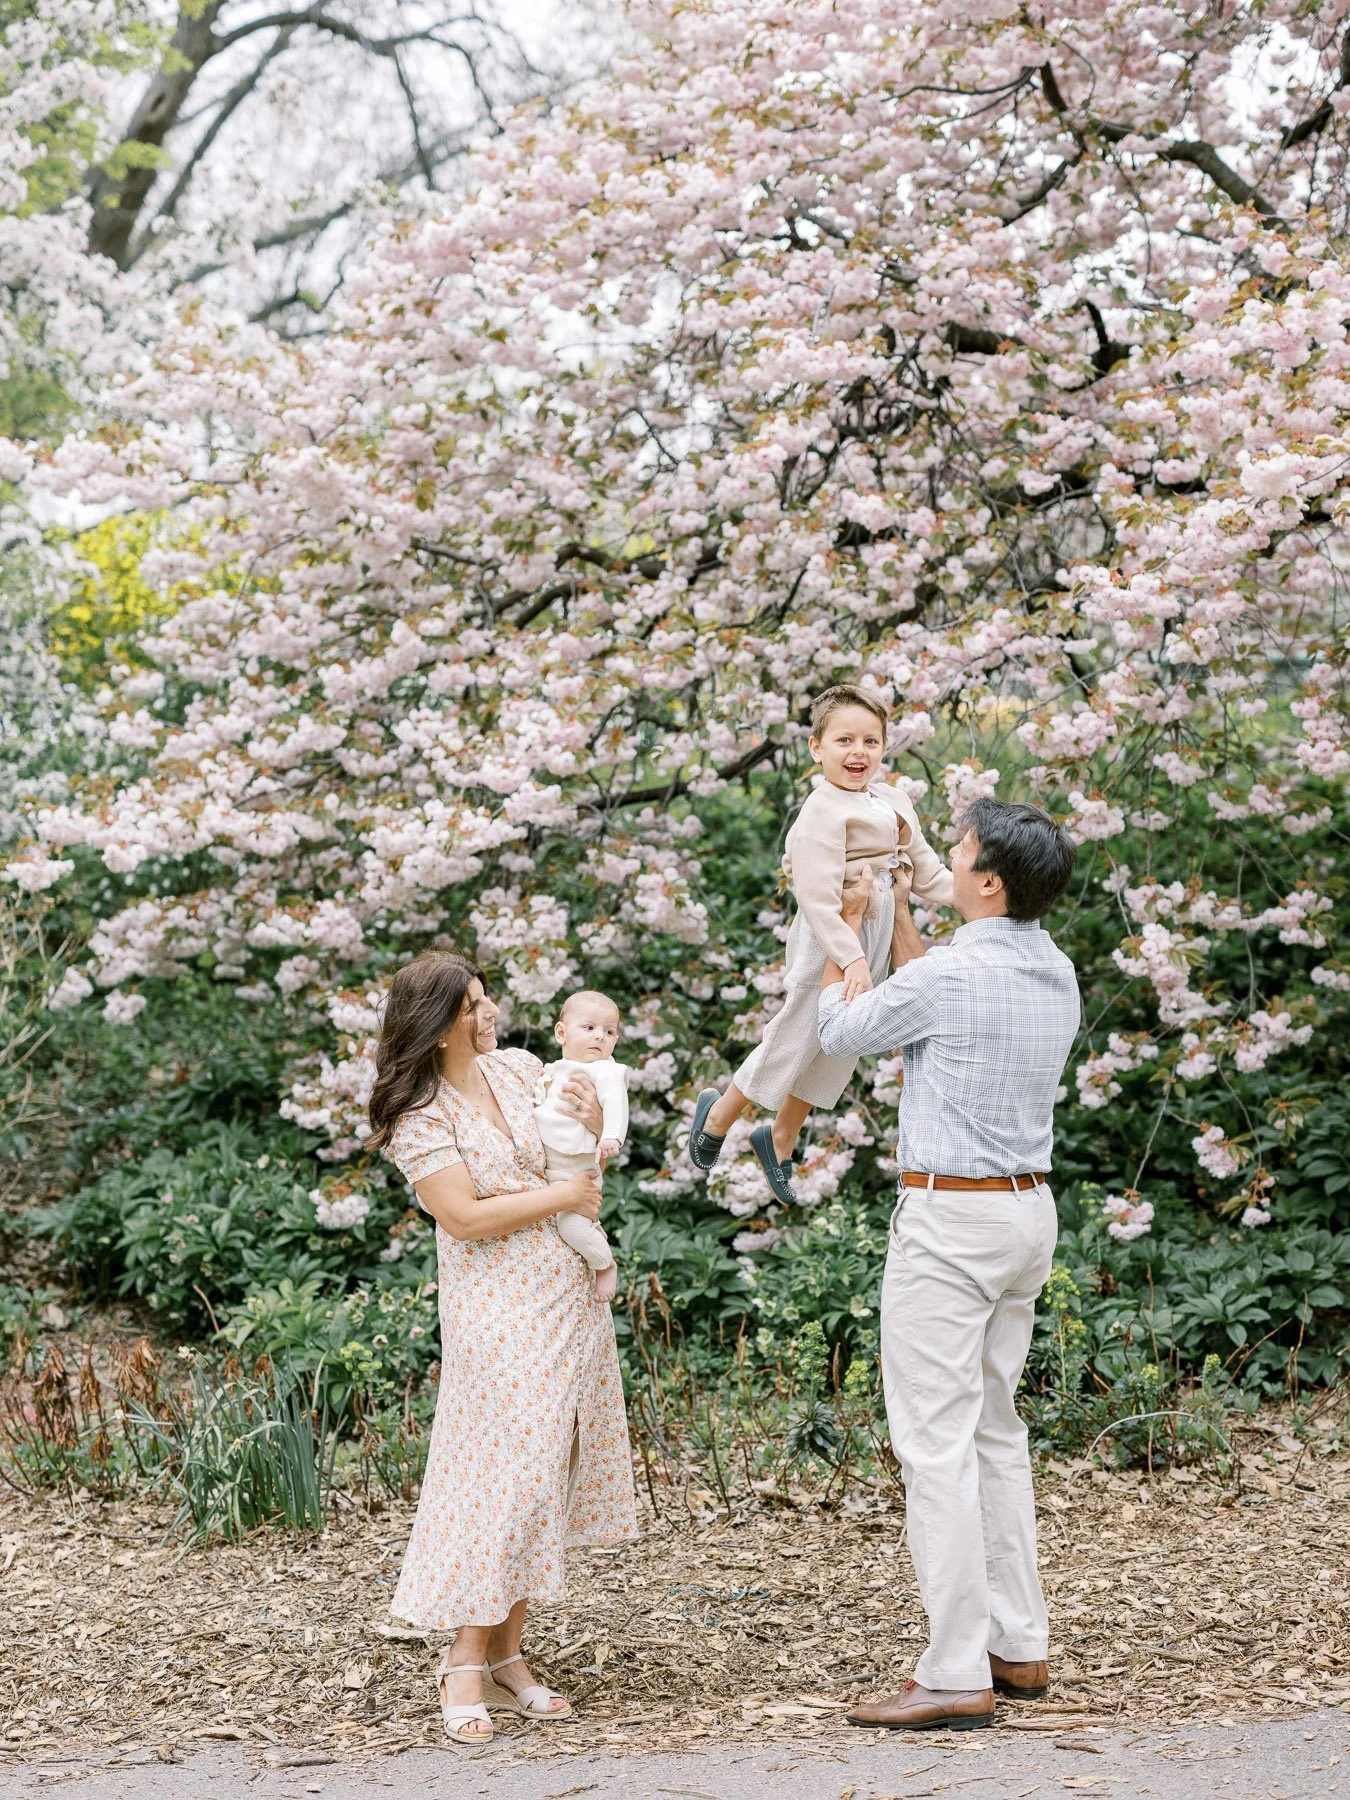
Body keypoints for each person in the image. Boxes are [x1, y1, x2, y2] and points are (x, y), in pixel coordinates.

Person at [817, 798, 1080, 1732]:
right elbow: (937, 983)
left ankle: (955, 1668)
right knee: (995, 1432)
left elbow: (843, 1032)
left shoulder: (955, 978)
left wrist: (846, 937)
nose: (946, 860)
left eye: (957, 853)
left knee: (933, 1445)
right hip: (1026, 1215)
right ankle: (1019, 1643)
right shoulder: (1054, 968)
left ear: (990, 880)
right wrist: (908, 923)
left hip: (950, 1219)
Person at [366, 952, 637, 1748]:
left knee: (545, 1470)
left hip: (566, 1298)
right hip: (496, 1312)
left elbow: (582, 1163)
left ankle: (509, 1655)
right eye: (475, 1007)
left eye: (487, 1002)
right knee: (507, 1474)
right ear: (442, 1021)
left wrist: (593, 1137)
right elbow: (464, 1217)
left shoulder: (520, 1070)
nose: (492, 1016)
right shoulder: (419, 1115)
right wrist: (565, 1195)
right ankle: (463, 1659)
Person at [689, 683, 951, 1204]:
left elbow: (928, 871)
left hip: (874, 928)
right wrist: (849, 955)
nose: (859, 753)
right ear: (816, 747)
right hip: (832, 932)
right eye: (845, 741)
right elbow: (814, 897)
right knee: (798, 1027)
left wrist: (980, 900)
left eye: (871, 742)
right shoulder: (821, 810)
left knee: (841, 1038)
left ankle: (781, 1134)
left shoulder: (894, 799)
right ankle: (720, 1112)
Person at [535, 988, 629, 1304]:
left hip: (577, 1168)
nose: (600, 1037)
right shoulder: (552, 1068)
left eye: (609, 1031)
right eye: (589, 1028)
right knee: (570, 1220)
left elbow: (616, 1101)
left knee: (571, 1227)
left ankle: (605, 1264)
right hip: (549, 1164)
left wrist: (611, 1135)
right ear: (561, 1033)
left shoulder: (606, 1070)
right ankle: (595, 1230)